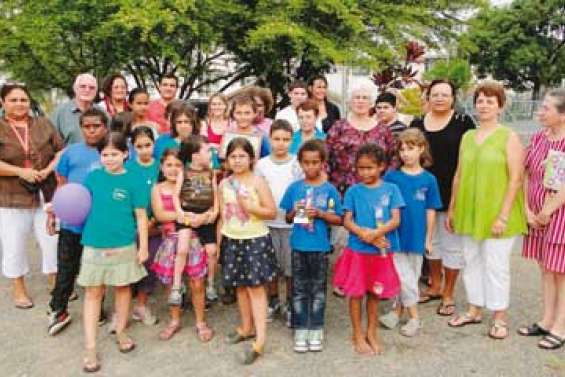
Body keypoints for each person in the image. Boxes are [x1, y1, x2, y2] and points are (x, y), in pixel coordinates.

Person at [446, 82, 526, 340]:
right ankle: (474, 308)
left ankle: (499, 317)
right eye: (480, 100)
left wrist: (503, 215)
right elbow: (459, 175)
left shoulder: (509, 137)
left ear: (500, 107)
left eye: (490, 101)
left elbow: (516, 178)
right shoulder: (468, 136)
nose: (484, 105)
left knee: (496, 265)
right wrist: (452, 208)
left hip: (497, 212)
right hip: (469, 209)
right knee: (471, 260)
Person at [77, 132, 148, 373]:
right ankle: (90, 347)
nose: (109, 159)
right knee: (93, 294)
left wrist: (144, 247)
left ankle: (121, 331)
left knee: (123, 289)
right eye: (105, 154)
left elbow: (140, 216)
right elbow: (78, 204)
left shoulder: (135, 179)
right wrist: (55, 210)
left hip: (124, 245)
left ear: (125, 154)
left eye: (114, 154)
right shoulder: (93, 178)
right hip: (94, 245)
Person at [410, 79, 475, 316]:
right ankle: (435, 285)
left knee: (452, 246)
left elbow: (469, 159)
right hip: (423, 195)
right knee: (431, 243)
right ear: (427, 97)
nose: (439, 98)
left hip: (452, 193)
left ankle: (448, 293)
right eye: (434, 94)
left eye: (444, 94)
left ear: (453, 98)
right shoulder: (418, 123)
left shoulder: (463, 123)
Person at [333, 143, 403, 355]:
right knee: (356, 293)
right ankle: (357, 333)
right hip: (358, 251)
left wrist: (374, 235)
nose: (365, 172)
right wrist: (365, 235)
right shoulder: (353, 191)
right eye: (361, 168)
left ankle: (371, 332)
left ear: (381, 166)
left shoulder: (391, 189)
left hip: (381, 252)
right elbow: (347, 220)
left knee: (375, 292)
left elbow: (396, 219)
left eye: (370, 168)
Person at [0, 84, 63, 309]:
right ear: (3, 103)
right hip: (11, 197)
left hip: (46, 192)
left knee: (51, 240)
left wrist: (49, 169)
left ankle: (54, 281)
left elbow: (60, 150)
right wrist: (20, 171)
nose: (19, 104)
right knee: (14, 243)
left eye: (23, 100)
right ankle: (18, 288)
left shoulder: (43, 124)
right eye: (14, 100)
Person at [46, 108, 108, 335]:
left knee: (97, 268)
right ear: (81, 128)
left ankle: (97, 308)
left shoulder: (112, 151)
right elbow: (61, 185)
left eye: (96, 126)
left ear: (105, 127)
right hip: (72, 223)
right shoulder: (70, 153)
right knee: (67, 267)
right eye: (87, 126)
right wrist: (53, 213)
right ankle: (58, 309)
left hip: (100, 224)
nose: (91, 130)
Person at [219, 137, 278, 364]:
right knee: (240, 287)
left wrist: (251, 207)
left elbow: (271, 211)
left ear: (251, 159)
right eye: (233, 156)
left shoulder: (258, 182)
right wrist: (219, 241)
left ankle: (260, 340)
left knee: (256, 288)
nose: (237, 160)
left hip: (255, 240)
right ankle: (246, 327)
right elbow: (222, 216)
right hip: (232, 239)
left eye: (242, 156)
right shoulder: (224, 184)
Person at [280, 139, 342, 352]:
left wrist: (322, 214)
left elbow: (339, 219)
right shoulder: (294, 188)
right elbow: (288, 218)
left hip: (320, 248)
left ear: (323, 163)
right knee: (298, 289)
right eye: (306, 162)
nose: (311, 167)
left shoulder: (330, 190)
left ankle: (316, 327)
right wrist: (294, 211)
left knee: (317, 289)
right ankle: (300, 327)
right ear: (300, 163)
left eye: (315, 162)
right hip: (298, 245)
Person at [380, 129, 442, 337]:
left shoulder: (429, 180)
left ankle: (397, 311)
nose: (405, 153)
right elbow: (383, 204)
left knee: (411, 276)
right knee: (402, 275)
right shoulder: (391, 177)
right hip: (395, 235)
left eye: (411, 148)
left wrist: (429, 238)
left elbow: (431, 210)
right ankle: (415, 318)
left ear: (421, 149)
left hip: (417, 236)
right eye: (402, 149)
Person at [518, 89, 565, 349]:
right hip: (536, 214)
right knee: (546, 269)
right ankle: (547, 320)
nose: (540, 112)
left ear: (562, 114)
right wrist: (527, 209)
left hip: (559, 215)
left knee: (561, 272)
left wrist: (549, 210)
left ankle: (561, 325)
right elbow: (526, 173)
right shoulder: (538, 138)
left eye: (546, 108)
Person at [151, 149, 212, 342]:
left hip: (194, 239)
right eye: (169, 165)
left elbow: (205, 207)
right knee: (170, 283)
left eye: (178, 165)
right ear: (161, 167)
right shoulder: (158, 189)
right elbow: (160, 215)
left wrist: (197, 217)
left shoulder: (192, 184)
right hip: (170, 240)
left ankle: (200, 321)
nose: (173, 169)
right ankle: (174, 320)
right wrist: (186, 216)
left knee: (197, 283)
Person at [255, 120, 303, 325]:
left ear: (292, 141)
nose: (281, 143)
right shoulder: (261, 164)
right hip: (268, 223)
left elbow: (303, 192)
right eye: (276, 139)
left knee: (291, 267)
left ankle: (291, 303)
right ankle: (273, 301)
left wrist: (302, 222)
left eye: (285, 139)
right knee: (271, 266)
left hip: (292, 225)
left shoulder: (298, 164)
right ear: (269, 139)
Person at [168, 135, 219, 305]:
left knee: (212, 251)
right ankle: (176, 286)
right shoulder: (184, 172)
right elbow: (176, 195)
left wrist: (214, 212)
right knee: (182, 249)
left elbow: (215, 194)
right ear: (195, 155)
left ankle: (210, 284)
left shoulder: (211, 173)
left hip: (205, 216)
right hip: (187, 214)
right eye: (207, 151)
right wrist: (180, 212)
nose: (210, 154)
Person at [327, 84, 397, 196]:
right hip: (342, 191)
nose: (360, 101)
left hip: (375, 192)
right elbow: (326, 157)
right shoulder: (338, 127)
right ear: (350, 101)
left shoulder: (383, 130)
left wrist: (383, 183)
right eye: (357, 97)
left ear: (372, 103)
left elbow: (393, 159)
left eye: (365, 98)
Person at [125, 127, 161, 326]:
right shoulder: (128, 168)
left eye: (148, 145)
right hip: (131, 226)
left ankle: (141, 305)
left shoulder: (160, 167)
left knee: (148, 265)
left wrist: (153, 220)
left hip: (155, 225)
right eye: (139, 146)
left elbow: (167, 194)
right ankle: (125, 310)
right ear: (133, 147)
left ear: (154, 144)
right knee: (130, 265)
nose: (144, 150)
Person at [51, 73, 99, 145]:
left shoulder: (103, 113)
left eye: (92, 87)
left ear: (96, 91)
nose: (87, 90)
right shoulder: (60, 113)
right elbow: (51, 142)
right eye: (82, 86)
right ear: (75, 88)